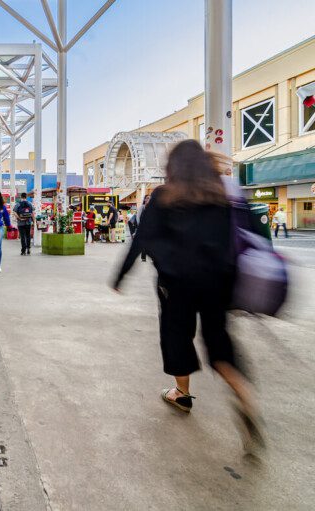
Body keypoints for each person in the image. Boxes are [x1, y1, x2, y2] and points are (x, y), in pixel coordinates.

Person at [112, 140, 263, 451]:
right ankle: (243, 395)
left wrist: (121, 276)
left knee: (176, 337)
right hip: (218, 282)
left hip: (176, 283)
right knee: (218, 339)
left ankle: (181, 394)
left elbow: (141, 240)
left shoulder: (165, 196)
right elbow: (250, 236)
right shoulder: (223, 194)